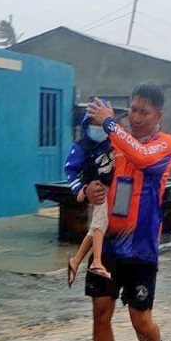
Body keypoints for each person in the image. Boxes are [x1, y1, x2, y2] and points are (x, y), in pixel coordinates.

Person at [79, 83, 171, 341]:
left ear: (158, 116)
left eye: (143, 112)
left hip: (141, 250)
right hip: (108, 244)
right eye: (132, 109)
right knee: (100, 312)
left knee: (140, 321)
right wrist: (87, 190)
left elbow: (141, 156)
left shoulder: (164, 145)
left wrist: (111, 123)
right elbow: (93, 169)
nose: (135, 117)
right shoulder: (117, 142)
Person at [64, 111, 116, 286]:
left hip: (110, 189)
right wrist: (80, 189)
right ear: (86, 124)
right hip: (98, 188)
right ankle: (97, 262)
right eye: (93, 122)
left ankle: (76, 260)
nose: (98, 127)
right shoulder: (81, 146)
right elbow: (70, 170)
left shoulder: (111, 142)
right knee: (100, 223)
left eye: (101, 123)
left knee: (95, 228)